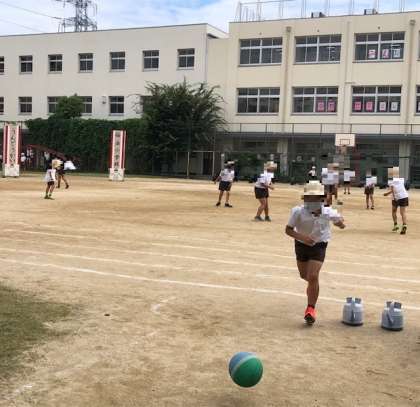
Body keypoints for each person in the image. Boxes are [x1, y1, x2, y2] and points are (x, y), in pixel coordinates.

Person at [285, 180, 345, 324]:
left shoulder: (328, 212)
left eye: (314, 198)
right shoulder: (297, 211)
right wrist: (303, 238)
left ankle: (310, 309)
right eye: (308, 198)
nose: (311, 201)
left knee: (312, 276)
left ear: (321, 198)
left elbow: (341, 224)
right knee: (304, 275)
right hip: (301, 245)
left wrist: (339, 222)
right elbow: (288, 230)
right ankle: (314, 285)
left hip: (319, 245)